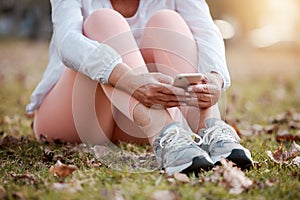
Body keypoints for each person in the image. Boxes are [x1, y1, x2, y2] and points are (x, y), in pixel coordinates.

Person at [26, 0, 253, 175]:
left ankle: (209, 128)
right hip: (76, 118)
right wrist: (131, 81)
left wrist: (215, 78)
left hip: (134, 125)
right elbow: (67, 42)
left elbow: (206, 30)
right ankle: (163, 132)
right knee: (103, 20)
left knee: (168, 21)